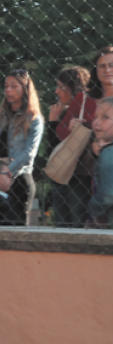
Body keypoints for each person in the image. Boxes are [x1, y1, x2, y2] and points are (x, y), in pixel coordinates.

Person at [0, 69, 44, 226]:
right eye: (6, 86)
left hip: (19, 178)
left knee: (17, 226)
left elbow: (29, 153)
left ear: (25, 89)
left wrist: (7, 172)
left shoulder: (34, 119)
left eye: (14, 86)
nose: (8, 90)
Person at [46, 67, 96, 228]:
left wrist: (54, 123)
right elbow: (53, 148)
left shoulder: (88, 103)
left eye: (61, 86)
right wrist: (54, 122)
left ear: (73, 87)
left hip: (79, 174)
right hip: (63, 174)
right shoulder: (64, 112)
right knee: (63, 224)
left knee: (76, 224)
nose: (56, 91)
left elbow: (55, 143)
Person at [86, 96, 113, 228]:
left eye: (105, 117)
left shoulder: (109, 153)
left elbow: (109, 193)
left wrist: (94, 209)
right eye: (96, 116)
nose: (96, 122)